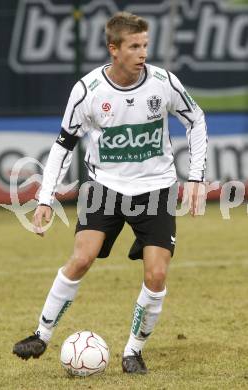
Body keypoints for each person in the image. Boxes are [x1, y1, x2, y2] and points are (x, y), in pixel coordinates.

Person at [13, 11, 207, 374]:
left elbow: (196, 120)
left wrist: (195, 176)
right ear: (113, 49)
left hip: (156, 188)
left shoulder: (163, 83)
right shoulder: (88, 91)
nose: (142, 53)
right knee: (82, 258)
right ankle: (41, 333)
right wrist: (45, 198)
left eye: (145, 45)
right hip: (104, 188)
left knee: (156, 275)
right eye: (134, 46)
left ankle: (133, 351)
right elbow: (63, 144)